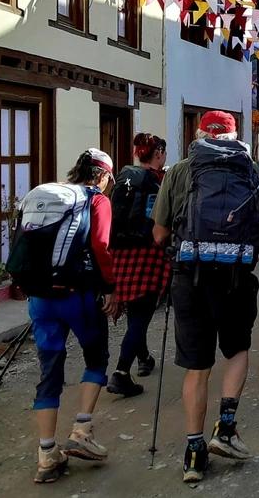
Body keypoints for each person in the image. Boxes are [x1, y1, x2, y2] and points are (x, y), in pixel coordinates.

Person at [152, 111, 259, 483]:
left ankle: (193, 453)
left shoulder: (180, 170)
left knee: (197, 365)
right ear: (235, 135)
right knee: (237, 350)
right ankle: (225, 426)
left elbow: (158, 235)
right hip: (236, 275)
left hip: (190, 277)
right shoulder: (248, 168)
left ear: (200, 133)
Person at [8, 148, 120, 484]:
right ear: (102, 175)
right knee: (96, 357)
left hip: (40, 297)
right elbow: (101, 245)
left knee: (49, 370)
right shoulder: (96, 200)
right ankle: (82, 429)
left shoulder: (45, 193)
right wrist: (111, 287)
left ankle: (46, 455)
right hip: (77, 294)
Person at [106, 133, 169, 398]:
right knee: (142, 313)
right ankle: (121, 372)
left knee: (135, 309)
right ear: (158, 153)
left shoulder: (123, 178)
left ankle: (143, 357)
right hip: (147, 251)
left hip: (120, 252)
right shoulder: (158, 182)